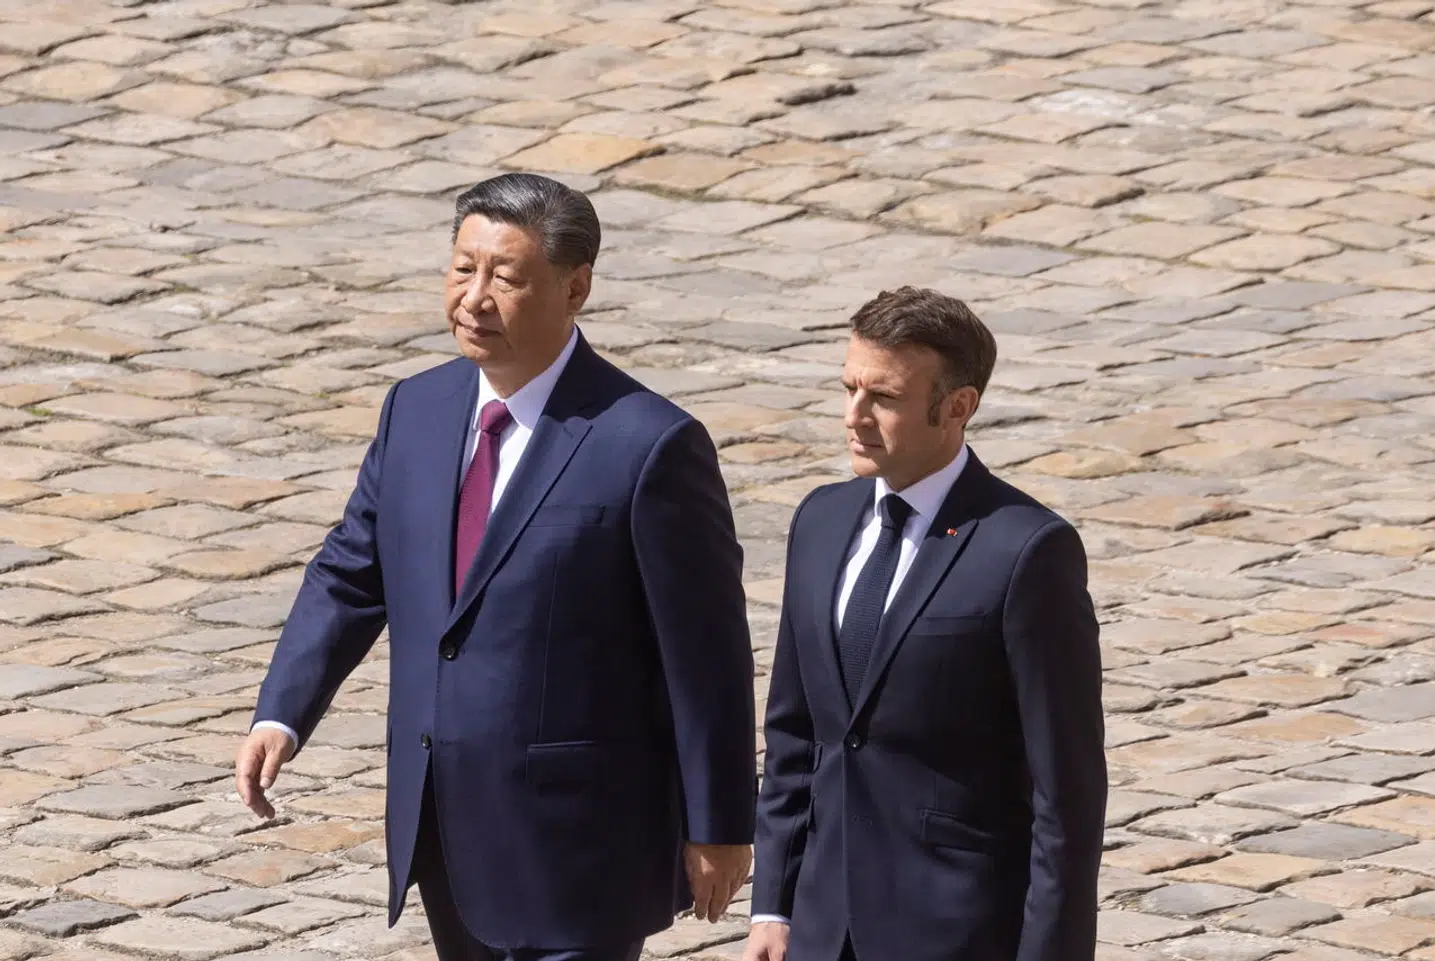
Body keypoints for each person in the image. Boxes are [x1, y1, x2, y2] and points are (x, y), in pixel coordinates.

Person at [235, 173, 757, 961]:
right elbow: (351, 572)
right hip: (444, 826)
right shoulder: (416, 409)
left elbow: (707, 654)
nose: (474, 298)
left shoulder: (648, 445)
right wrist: (281, 711)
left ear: (575, 287)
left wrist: (719, 824)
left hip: (580, 846)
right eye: (462, 268)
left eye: (505, 277)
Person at [743, 287, 1106, 961]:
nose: (854, 416)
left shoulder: (1026, 551)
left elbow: (1066, 794)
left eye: (883, 397)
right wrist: (773, 904)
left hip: (957, 932)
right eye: (849, 388)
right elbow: (796, 736)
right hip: (821, 930)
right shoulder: (820, 521)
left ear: (958, 406)